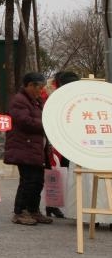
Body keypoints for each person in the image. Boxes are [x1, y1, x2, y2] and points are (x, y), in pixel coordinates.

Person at [4, 72, 53, 226]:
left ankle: (33, 210)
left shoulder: (36, 101)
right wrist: (47, 124)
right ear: (30, 85)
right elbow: (25, 121)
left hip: (35, 148)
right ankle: (20, 212)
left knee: (37, 181)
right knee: (28, 181)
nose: (41, 90)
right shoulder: (19, 100)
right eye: (39, 87)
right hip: (24, 147)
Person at [45, 71, 79, 219]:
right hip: (55, 140)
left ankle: (57, 204)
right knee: (55, 171)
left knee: (65, 170)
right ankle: (52, 204)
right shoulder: (51, 96)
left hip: (70, 139)